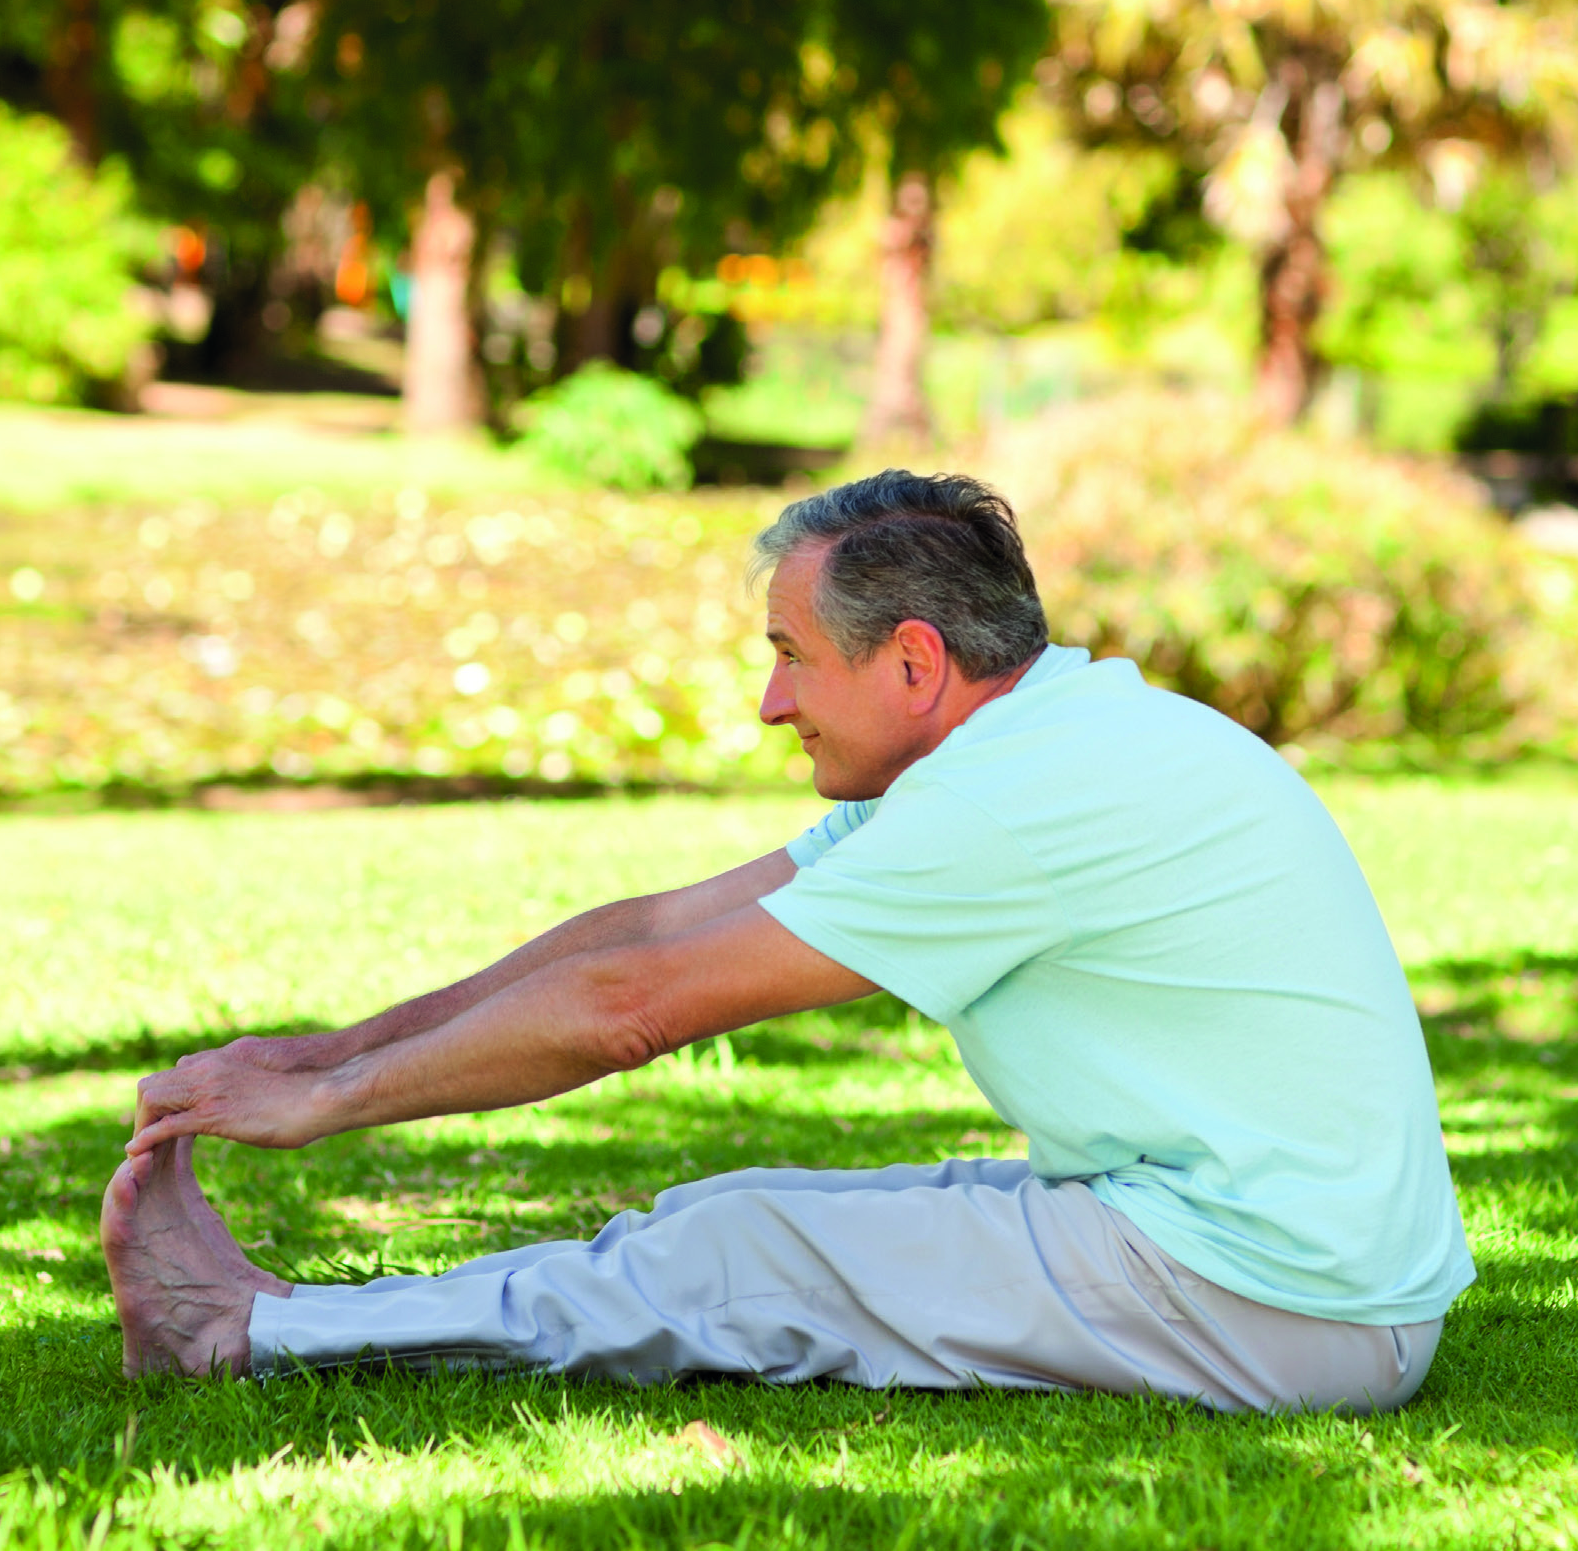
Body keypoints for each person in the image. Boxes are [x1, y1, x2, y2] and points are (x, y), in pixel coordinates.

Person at [101, 469, 1472, 1410]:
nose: (770, 703)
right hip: (1279, 1264)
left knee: (735, 1257)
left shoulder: (1010, 803)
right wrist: (329, 1048)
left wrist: (327, 1106)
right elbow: (657, 924)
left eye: (792, 655)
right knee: (717, 1217)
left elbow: (634, 1004)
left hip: (1279, 1303)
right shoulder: (1046, 737)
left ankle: (246, 1333)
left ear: (916, 663)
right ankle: (281, 1319)